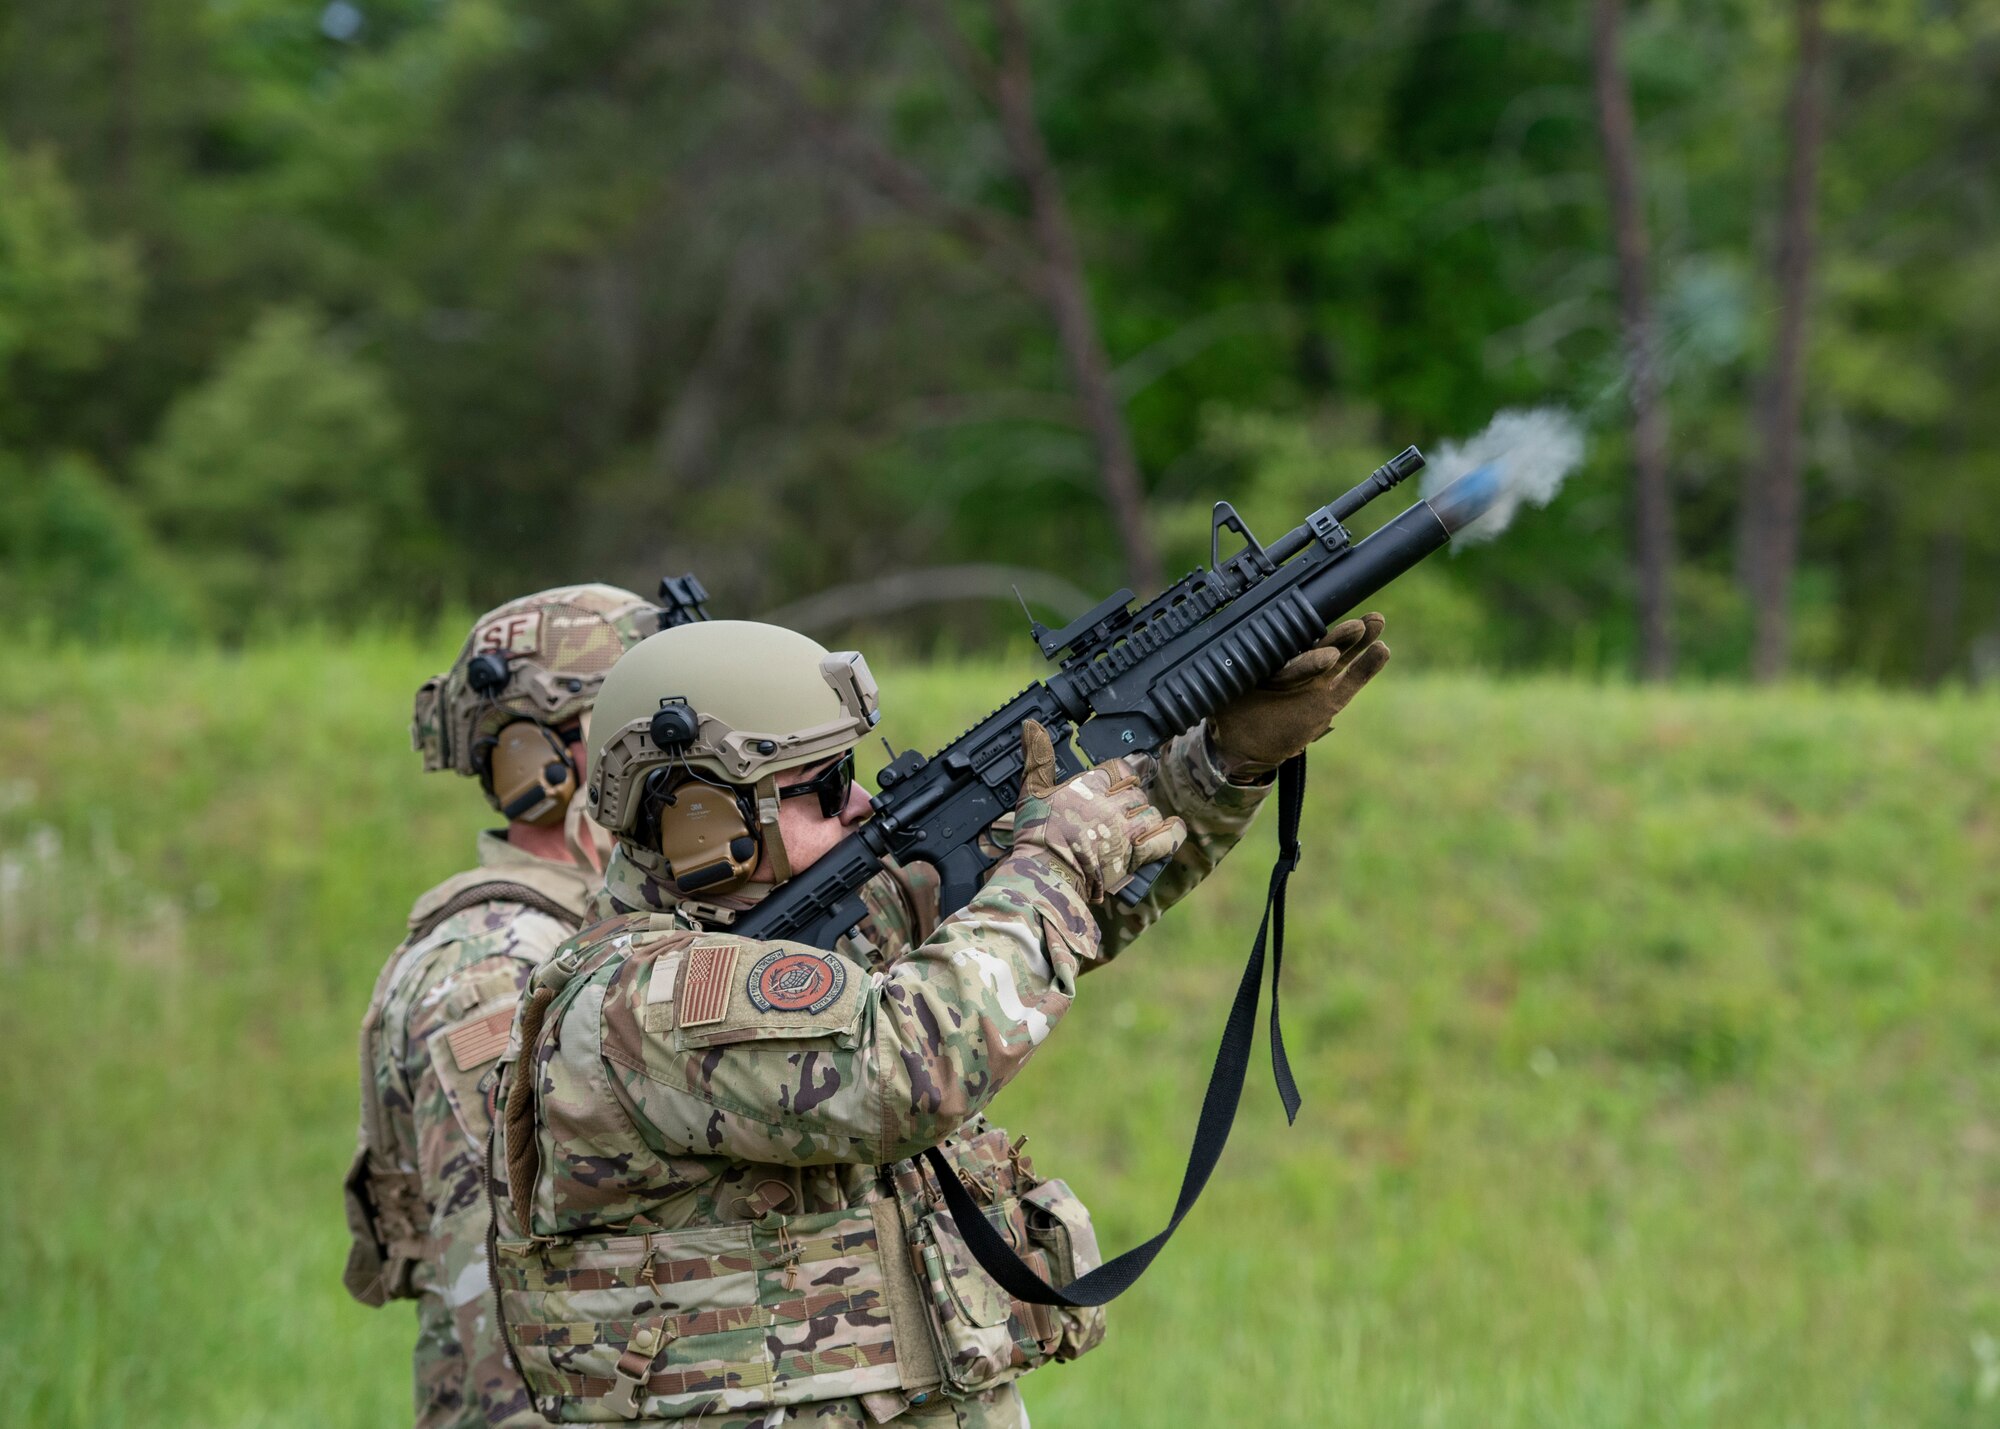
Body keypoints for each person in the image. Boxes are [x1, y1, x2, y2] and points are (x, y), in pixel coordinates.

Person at [489, 614, 1388, 1426]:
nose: (860, 802)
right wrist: (1056, 858)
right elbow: (910, 1068)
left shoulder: (791, 937)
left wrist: (1216, 765)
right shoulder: (638, 998)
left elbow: (1030, 929)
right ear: (703, 820)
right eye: (825, 784)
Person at [344, 584, 663, 1428]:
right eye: (644, 723)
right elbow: (507, 1302)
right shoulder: (492, 969)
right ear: (538, 759)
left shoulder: (590, 931)